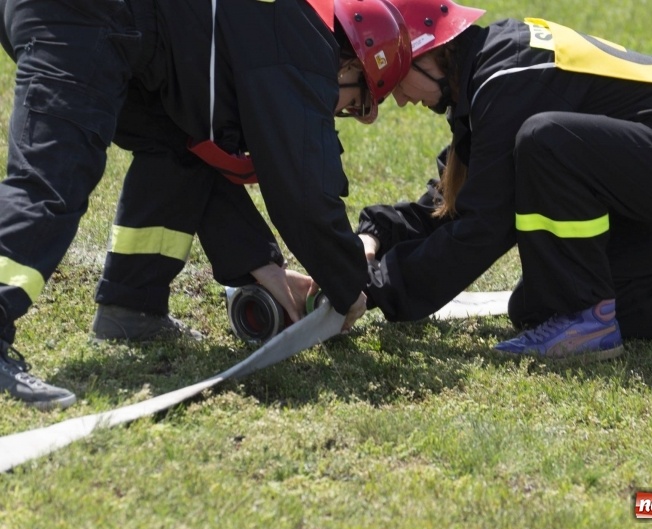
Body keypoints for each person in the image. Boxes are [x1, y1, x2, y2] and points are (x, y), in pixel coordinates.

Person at [0, 0, 411, 409]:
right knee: (52, 178)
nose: (342, 112)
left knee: (176, 151)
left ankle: (133, 308)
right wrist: (347, 282)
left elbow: (202, 149)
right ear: (347, 67)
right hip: (85, 17)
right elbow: (303, 190)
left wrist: (264, 266)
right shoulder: (303, 46)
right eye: (355, 104)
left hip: (119, 31)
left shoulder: (275, 28)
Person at [356, 0, 652, 361]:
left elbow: (483, 227)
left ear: (437, 54)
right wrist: (372, 239)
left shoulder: (502, 82)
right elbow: (453, 202)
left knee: (544, 142)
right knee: (537, 308)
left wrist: (375, 291)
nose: (400, 97)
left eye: (399, 77)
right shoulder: (488, 76)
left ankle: (587, 320)